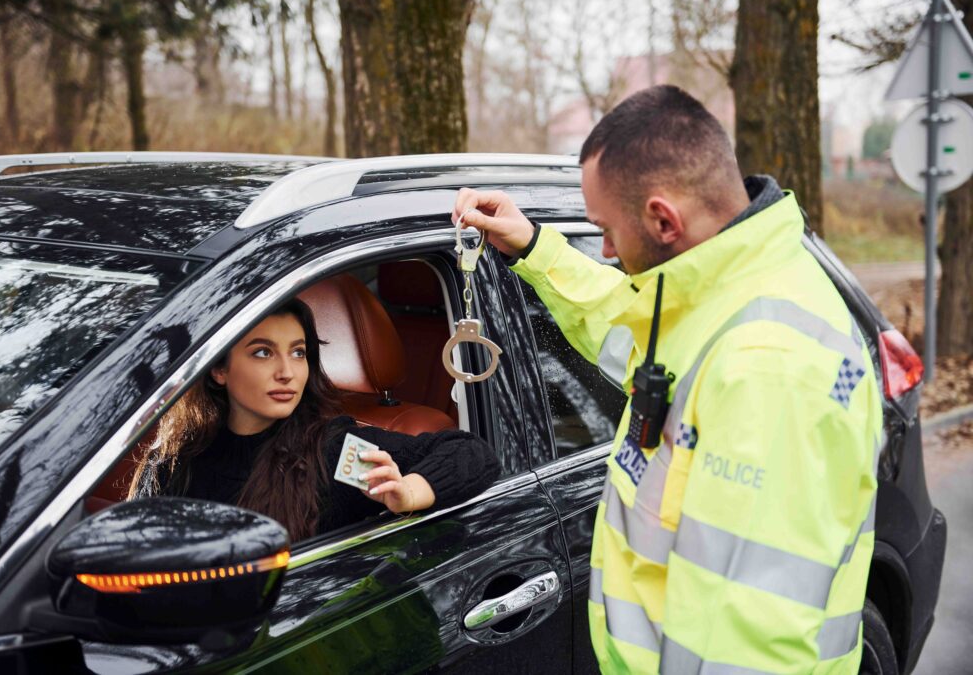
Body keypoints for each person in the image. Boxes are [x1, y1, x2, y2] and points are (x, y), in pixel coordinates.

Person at [452, 85, 881, 674]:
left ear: (662, 219)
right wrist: (535, 249)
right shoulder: (716, 294)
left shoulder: (769, 372)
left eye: (605, 229)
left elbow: (751, 647)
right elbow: (623, 325)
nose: (602, 248)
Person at [129, 298, 500, 543]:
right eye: (263, 353)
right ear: (219, 370)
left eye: (298, 353)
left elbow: (471, 453)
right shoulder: (175, 460)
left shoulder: (332, 451)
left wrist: (408, 493)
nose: (287, 372)